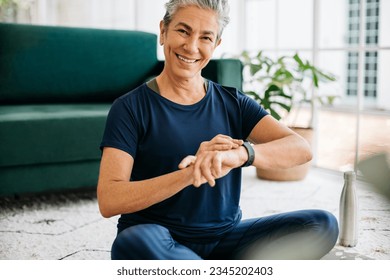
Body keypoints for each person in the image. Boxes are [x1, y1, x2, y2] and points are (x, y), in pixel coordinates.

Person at [97, 0, 339, 260]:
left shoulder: (233, 102)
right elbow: (110, 199)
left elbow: (301, 148)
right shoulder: (130, 108)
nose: (191, 47)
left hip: (227, 240)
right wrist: (192, 173)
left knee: (321, 224)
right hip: (158, 238)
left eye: (205, 37)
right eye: (183, 31)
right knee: (131, 244)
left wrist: (240, 155)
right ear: (163, 31)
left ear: (216, 45)